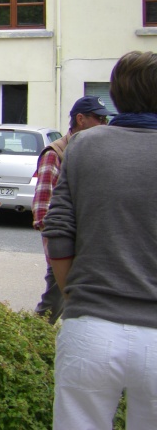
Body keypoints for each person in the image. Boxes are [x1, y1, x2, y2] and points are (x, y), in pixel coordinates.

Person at [44, 51, 157, 429]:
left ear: (116, 95)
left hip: (91, 329)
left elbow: (57, 231)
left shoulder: (84, 145)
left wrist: (74, 295)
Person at [31, 95, 112, 324]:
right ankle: (32, 341)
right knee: (55, 299)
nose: (104, 124)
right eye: (99, 118)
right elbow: (42, 209)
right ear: (81, 119)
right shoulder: (55, 154)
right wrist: (59, 246)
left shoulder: (93, 150)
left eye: (105, 118)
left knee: (77, 300)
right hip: (65, 244)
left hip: (87, 241)